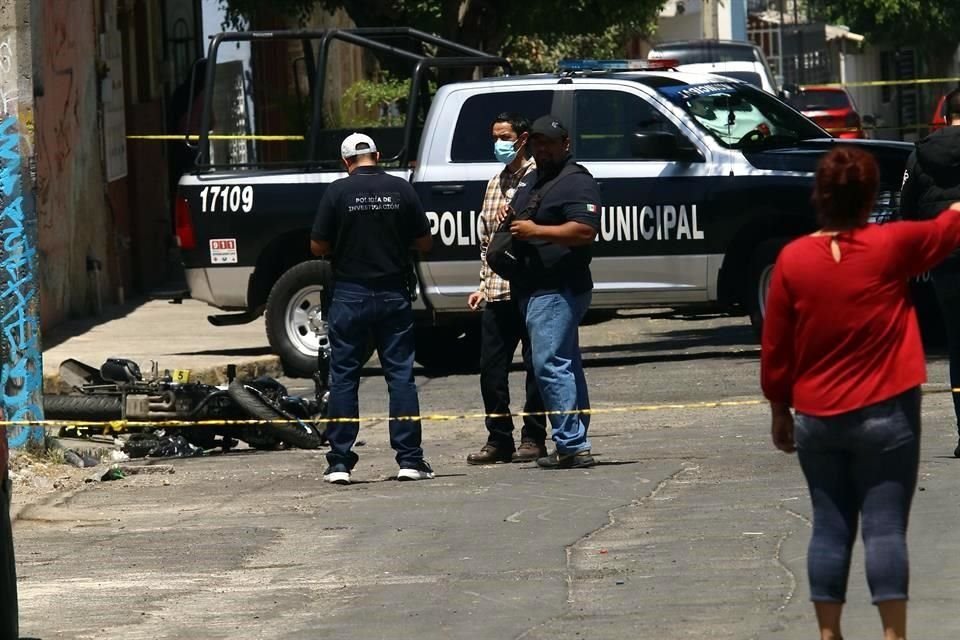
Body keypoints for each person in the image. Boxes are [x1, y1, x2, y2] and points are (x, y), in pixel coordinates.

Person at [761, 145, 960, 640]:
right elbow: (946, 227)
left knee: (830, 525)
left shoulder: (792, 260)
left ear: (819, 196)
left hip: (817, 414)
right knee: (885, 528)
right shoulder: (891, 246)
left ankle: (830, 634)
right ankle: (894, 635)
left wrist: (779, 410)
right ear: (871, 196)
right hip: (888, 409)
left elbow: (776, 348)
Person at [310, 133, 434, 485]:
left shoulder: (336, 192)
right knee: (400, 377)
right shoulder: (401, 189)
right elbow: (425, 241)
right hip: (393, 293)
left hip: (349, 295)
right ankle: (410, 460)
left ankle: (339, 464)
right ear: (377, 155)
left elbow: (317, 245)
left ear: (345, 161)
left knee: (345, 378)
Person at [506, 115, 601, 469]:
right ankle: (574, 440)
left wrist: (535, 230)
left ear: (566, 144)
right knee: (565, 364)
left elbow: (584, 230)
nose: (543, 149)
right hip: (535, 286)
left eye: (550, 142)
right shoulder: (535, 178)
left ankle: (572, 444)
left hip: (558, 287)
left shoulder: (576, 181)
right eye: (538, 143)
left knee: (550, 364)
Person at [466, 112, 547, 465]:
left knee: (536, 367)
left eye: (505, 136)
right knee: (492, 370)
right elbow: (486, 241)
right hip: (497, 292)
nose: (499, 143)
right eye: (494, 137)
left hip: (531, 290)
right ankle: (499, 438)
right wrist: (482, 285)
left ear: (522, 138)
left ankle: (534, 437)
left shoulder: (540, 180)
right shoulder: (493, 183)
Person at [899, 87, 960, 457]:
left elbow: (906, 207)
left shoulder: (920, 155)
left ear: (946, 116)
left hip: (944, 260)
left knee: (957, 344)